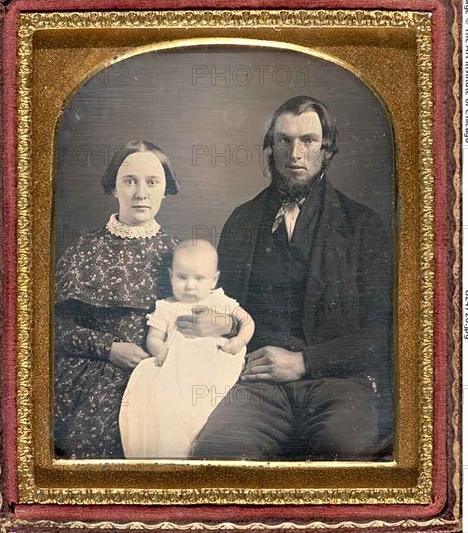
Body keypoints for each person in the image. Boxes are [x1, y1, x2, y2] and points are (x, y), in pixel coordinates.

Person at [191, 96, 393, 461]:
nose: (295, 153)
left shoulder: (363, 225)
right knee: (216, 453)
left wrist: (304, 362)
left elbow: (384, 331)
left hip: (340, 384)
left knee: (345, 458)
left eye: (308, 140)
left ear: (327, 149)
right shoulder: (243, 221)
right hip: (259, 383)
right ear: (269, 148)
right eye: (284, 140)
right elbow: (229, 311)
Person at [53, 139, 183, 459]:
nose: (141, 193)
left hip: (159, 374)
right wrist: (109, 349)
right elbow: (51, 329)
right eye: (130, 181)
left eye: (152, 182)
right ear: (114, 188)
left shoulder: (178, 255)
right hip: (90, 375)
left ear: (165, 189)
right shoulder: (84, 250)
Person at [119, 239, 254, 458]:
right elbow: (153, 337)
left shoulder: (220, 301)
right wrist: (160, 350)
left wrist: (238, 342)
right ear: (171, 276)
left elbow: (247, 322)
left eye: (199, 278)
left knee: (206, 404)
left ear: (214, 279)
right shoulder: (167, 307)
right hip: (178, 366)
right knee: (161, 398)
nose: (190, 285)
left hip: (214, 362)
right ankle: (170, 446)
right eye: (182, 277)